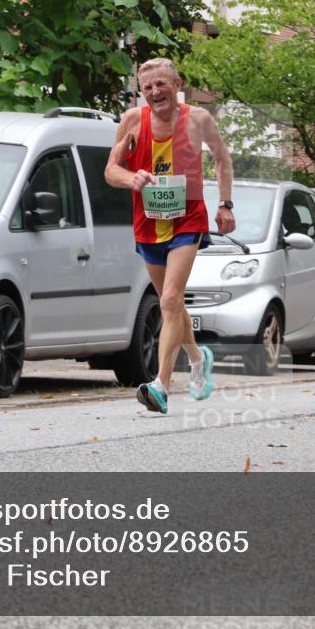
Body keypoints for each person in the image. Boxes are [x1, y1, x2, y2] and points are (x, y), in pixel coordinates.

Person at [105, 58, 234, 414]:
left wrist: (225, 204)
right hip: (148, 224)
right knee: (171, 303)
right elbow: (110, 169)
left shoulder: (199, 120)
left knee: (170, 299)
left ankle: (161, 385)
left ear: (178, 85)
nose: (154, 92)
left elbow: (222, 159)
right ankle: (197, 357)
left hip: (187, 221)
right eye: (147, 88)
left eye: (161, 84)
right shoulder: (133, 121)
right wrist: (130, 178)